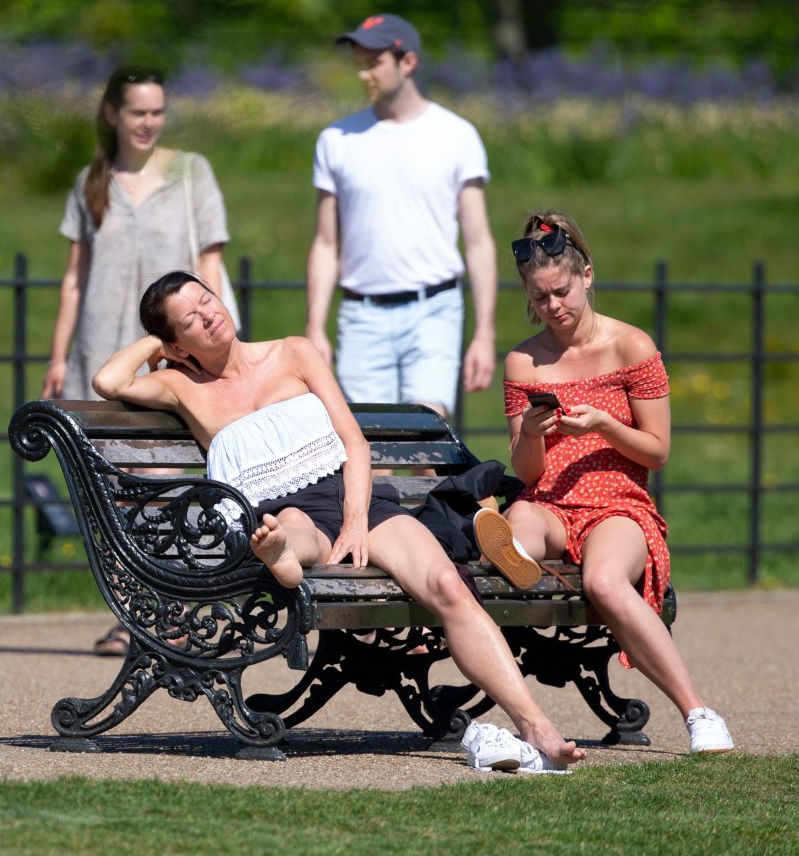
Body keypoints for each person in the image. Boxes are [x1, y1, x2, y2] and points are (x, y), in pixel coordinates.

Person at [92, 269, 587, 772]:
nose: (209, 315)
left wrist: (355, 521)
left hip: (351, 497)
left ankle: (536, 728)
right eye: (191, 320)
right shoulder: (180, 385)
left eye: (206, 299)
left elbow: (353, 441)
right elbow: (108, 382)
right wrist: (157, 339)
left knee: (447, 585)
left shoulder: (293, 352)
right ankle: (284, 557)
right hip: (276, 509)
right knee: (289, 528)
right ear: (178, 347)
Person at [475, 209, 734, 755]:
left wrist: (604, 424)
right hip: (549, 499)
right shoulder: (524, 361)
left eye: (562, 292)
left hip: (617, 503)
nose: (554, 307)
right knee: (515, 527)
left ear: (586, 275)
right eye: (540, 298)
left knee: (604, 584)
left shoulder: (631, 347)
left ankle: (699, 713)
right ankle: (514, 559)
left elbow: (658, 452)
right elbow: (527, 473)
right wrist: (531, 434)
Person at [41, 65, 235, 657]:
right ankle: (134, 615)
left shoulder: (192, 172)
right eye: (137, 111)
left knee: (164, 479)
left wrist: (221, 338)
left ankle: (175, 605)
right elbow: (75, 280)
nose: (148, 122)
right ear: (113, 114)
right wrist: (56, 355)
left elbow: (212, 262)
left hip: (170, 356)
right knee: (113, 491)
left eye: (157, 111)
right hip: (102, 350)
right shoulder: (90, 180)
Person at [305, 13, 497, 425]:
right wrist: (314, 327)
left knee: (426, 439)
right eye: (359, 62)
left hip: (434, 308)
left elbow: (478, 241)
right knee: (368, 447)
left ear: (406, 62)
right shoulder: (336, 140)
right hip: (361, 313)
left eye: (373, 62)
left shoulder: (456, 135)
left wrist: (485, 332)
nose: (363, 73)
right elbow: (325, 243)